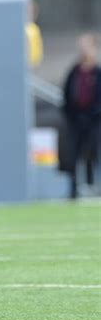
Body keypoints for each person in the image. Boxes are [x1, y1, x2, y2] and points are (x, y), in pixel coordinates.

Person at [62, 33, 101, 199]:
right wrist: (72, 114)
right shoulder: (75, 71)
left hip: (95, 121)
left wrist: (94, 113)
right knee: (74, 155)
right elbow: (68, 95)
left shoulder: (97, 72)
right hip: (76, 120)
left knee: (95, 154)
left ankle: (96, 188)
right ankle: (74, 190)